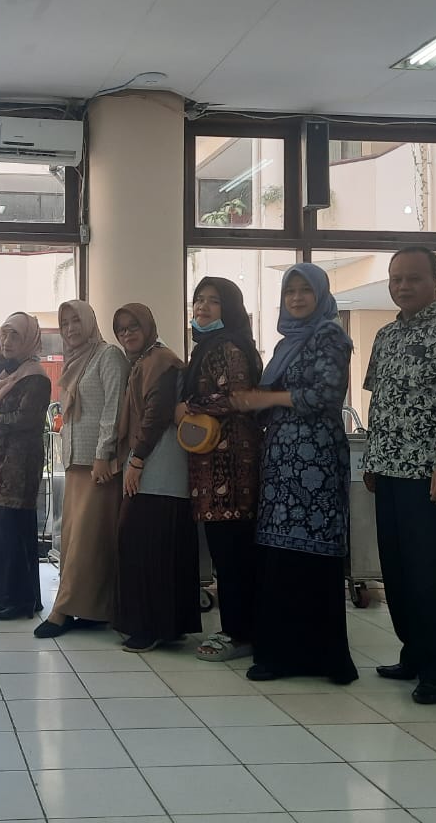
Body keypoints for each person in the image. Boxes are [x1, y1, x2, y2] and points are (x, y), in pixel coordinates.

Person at [363, 247, 436, 705]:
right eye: (396, 279)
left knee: (434, 574)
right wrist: (371, 459)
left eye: (413, 278)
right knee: (397, 570)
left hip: (431, 473)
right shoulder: (385, 335)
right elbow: (380, 400)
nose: (402, 286)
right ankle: (412, 653)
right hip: (388, 470)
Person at [232, 263, 358, 685]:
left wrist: (267, 399)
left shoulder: (330, 335)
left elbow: (325, 394)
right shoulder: (287, 342)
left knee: (313, 555)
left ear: (320, 295)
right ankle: (281, 655)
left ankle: (324, 658)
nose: (298, 298)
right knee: (280, 556)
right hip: (281, 463)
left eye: (306, 291)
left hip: (315, 461)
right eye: (291, 292)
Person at [177, 278, 263, 663]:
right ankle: (238, 629)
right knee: (226, 553)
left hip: (232, 470)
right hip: (212, 468)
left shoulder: (228, 346)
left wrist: (189, 405)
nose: (203, 307)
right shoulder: (208, 346)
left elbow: (238, 397)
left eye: (213, 301)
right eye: (199, 300)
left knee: (233, 555)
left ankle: (240, 634)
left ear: (229, 308)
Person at [34, 301, 128, 639]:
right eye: (65, 323)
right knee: (78, 540)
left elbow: (113, 409)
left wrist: (103, 454)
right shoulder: (75, 360)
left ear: (89, 322)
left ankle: (61, 611)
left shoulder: (108, 356)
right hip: (75, 464)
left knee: (85, 542)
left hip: (97, 465)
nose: (71, 328)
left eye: (76, 321)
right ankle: (93, 609)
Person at [112, 303, 199, 653]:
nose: (127, 334)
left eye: (133, 326)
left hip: (159, 463)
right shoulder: (144, 363)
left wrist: (136, 460)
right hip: (153, 462)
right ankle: (166, 625)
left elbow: (156, 414)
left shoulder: (160, 361)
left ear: (148, 327)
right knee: (154, 543)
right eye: (121, 329)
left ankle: (149, 627)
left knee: (144, 542)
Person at [0, 312, 52, 621]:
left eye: (15, 336)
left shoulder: (35, 376)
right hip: (4, 460)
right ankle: (14, 597)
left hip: (21, 463)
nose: (7, 341)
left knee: (16, 528)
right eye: (4, 335)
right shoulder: (9, 373)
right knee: (9, 528)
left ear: (28, 341)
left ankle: (19, 600)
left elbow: (27, 420)